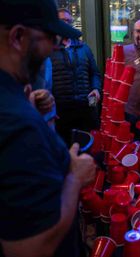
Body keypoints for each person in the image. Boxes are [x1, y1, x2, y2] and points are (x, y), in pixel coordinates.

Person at [0, 1, 96, 257]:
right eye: (51, 38)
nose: (54, 47)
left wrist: (30, 108)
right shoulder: (17, 124)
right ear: (18, 37)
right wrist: (75, 176)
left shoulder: (14, 103)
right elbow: (31, 249)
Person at [51, 8, 101, 146]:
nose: (66, 24)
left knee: (91, 145)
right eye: (62, 21)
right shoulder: (49, 49)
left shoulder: (84, 48)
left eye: (68, 21)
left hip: (86, 105)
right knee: (64, 148)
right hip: (61, 110)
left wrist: (96, 89)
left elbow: (95, 73)